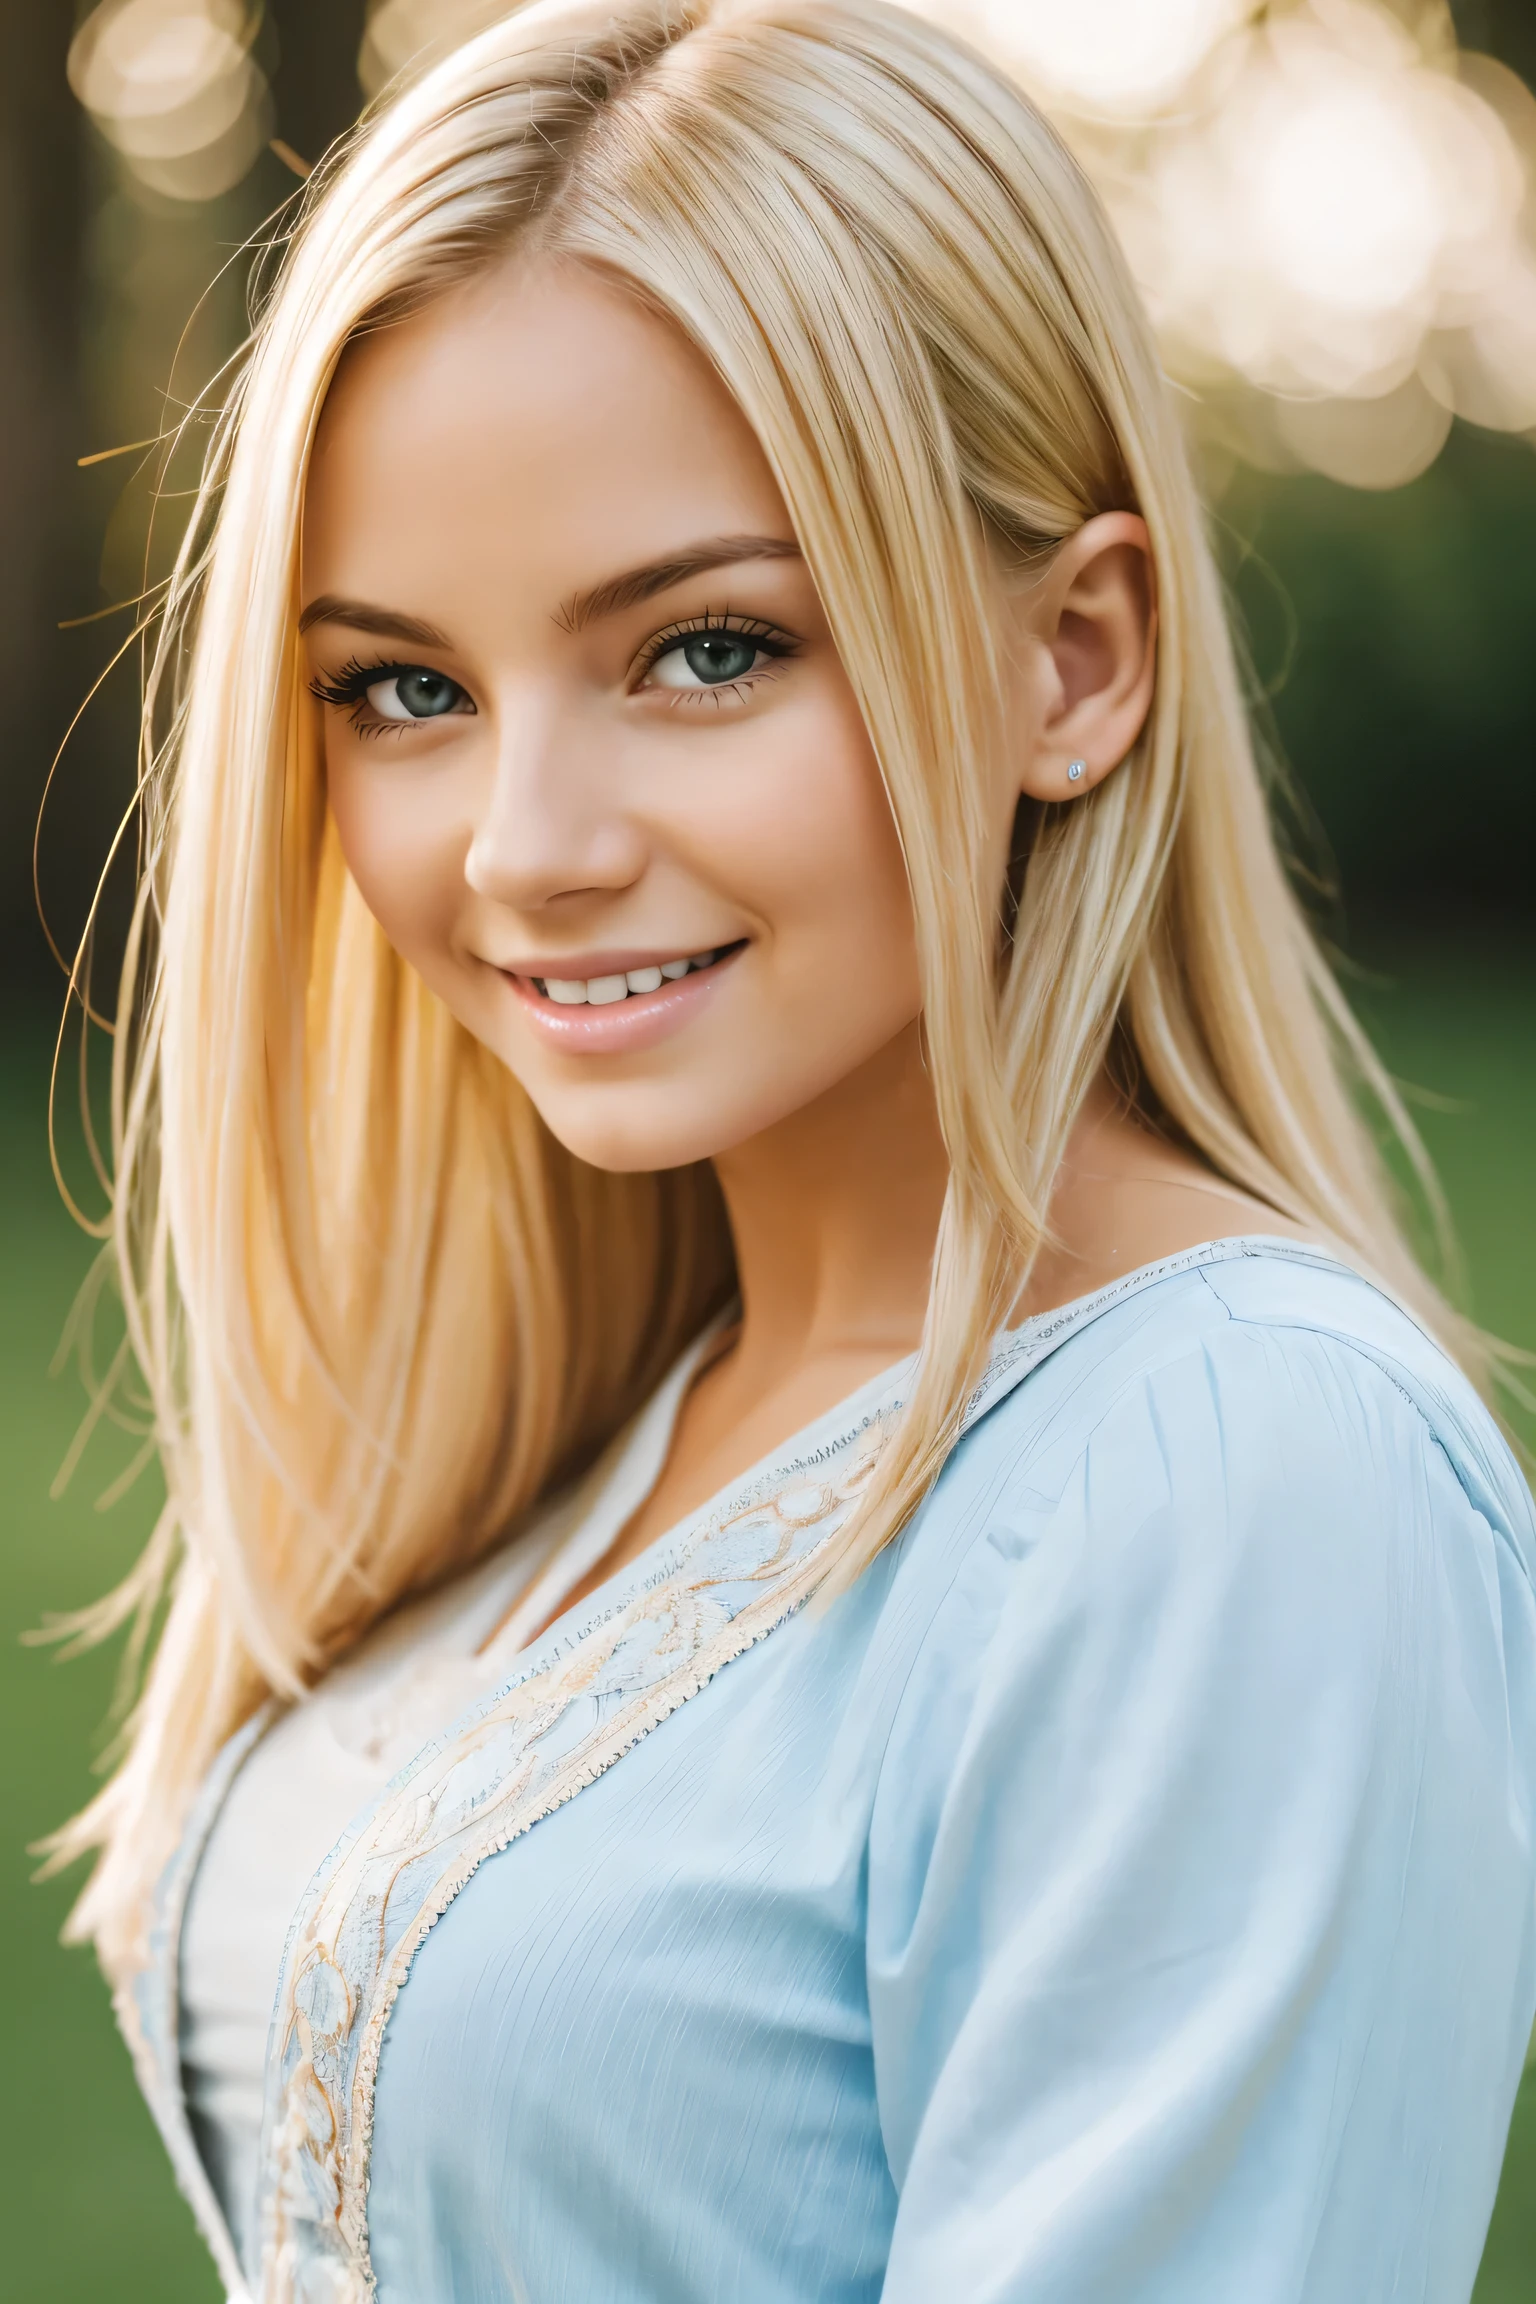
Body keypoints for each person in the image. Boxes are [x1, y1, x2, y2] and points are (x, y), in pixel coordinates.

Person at [51, 2, 1535, 2298]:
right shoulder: (627, 1415)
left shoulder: (1235, 1474)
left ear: (1079, 660)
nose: (525, 848)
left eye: (706, 650)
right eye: (406, 689)